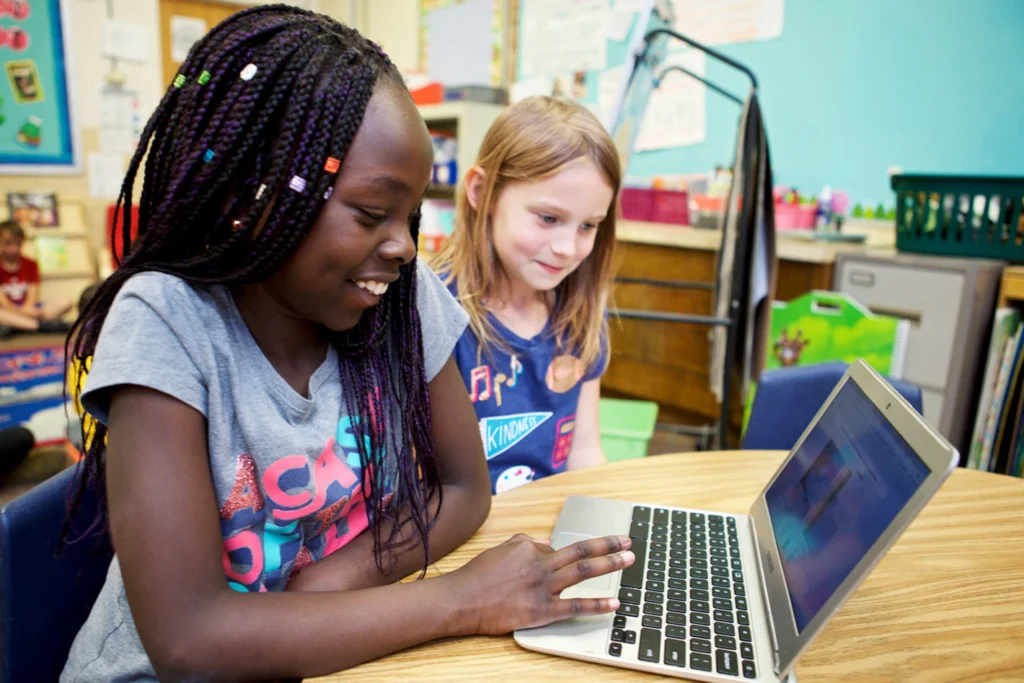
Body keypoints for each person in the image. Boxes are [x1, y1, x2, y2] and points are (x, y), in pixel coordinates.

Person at [60, 8, 632, 681]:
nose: (404, 246)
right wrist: (459, 598)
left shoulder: (398, 294)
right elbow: (190, 641)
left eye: (410, 214)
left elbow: (462, 485)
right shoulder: (166, 321)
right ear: (255, 197)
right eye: (370, 213)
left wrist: (339, 575)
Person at [432, 96, 619, 494]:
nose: (568, 247)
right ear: (482, 192)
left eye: (588, 226)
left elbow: (584, 452)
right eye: (548, 218)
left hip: (548, 524)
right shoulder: (432, 310)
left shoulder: (581, 312)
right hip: (461, 533)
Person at [0, 220, 71, 335]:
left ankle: (17, 326)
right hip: (8, 311)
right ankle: (38, 326)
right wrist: (30, 314)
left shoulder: (31, 264)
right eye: (8, 243)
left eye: (18, 243)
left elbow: (32, 300)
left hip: (29, 310)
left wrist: (29, 312)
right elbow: (4, 304)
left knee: (65, 302)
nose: (14, 248)